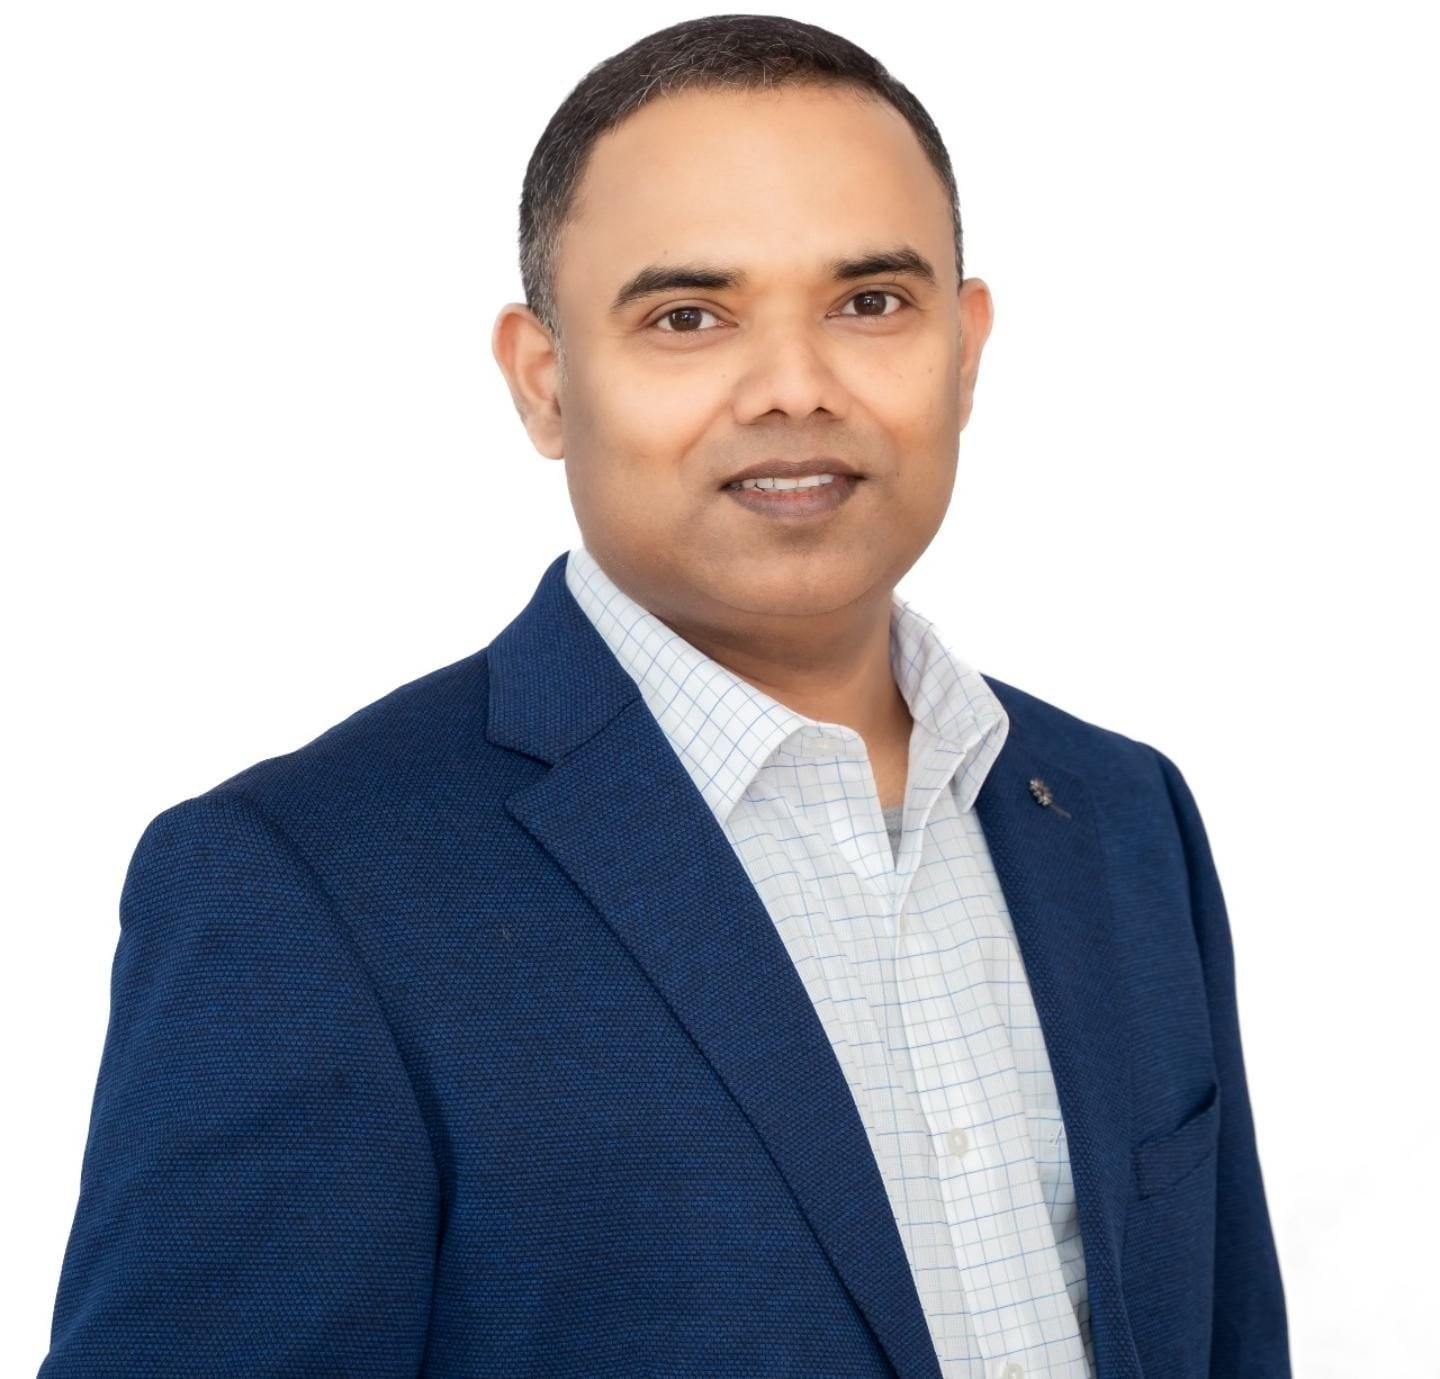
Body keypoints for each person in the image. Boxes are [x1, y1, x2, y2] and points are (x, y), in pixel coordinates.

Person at [36, 14, 1290, 1379]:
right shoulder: (308, 894)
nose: (795, 389)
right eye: (688, 318)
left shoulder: (1119, 817)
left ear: (966, 348)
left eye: (870, 303)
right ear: (545, 382)